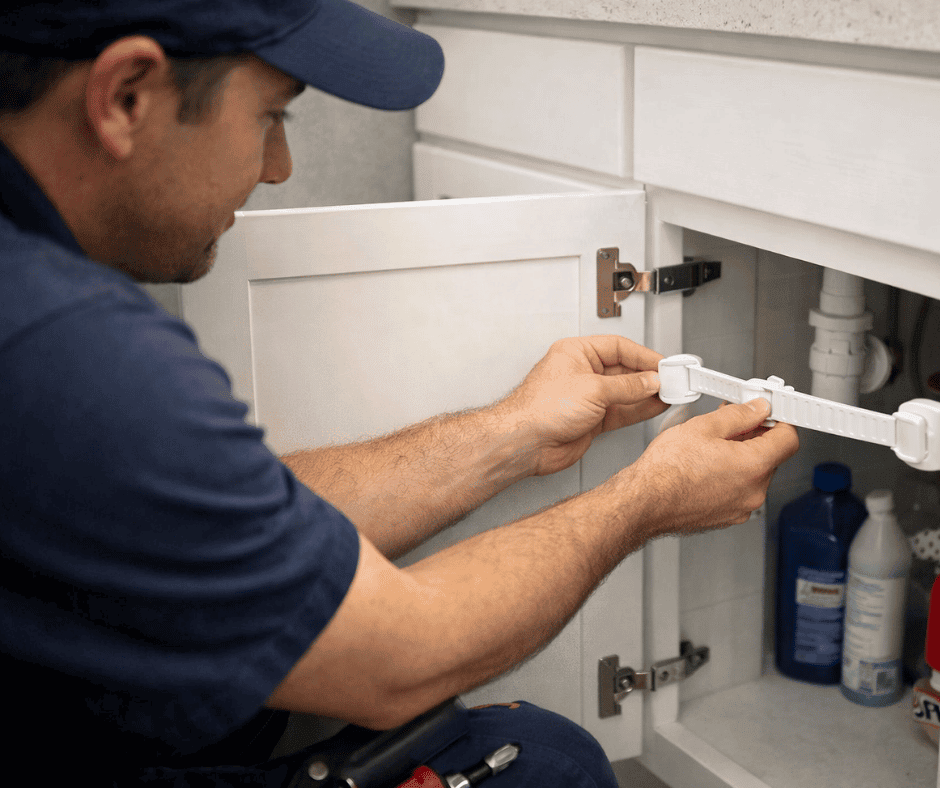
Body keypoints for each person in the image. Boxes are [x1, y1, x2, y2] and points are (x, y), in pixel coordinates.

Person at [0, 1, 800, 785]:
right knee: (546, 766)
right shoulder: (67, 349)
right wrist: (647, 498)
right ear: (126, 95)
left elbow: (207, 523)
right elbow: (401, 661)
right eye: (272, 116)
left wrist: (513, 430)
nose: (277, 167)